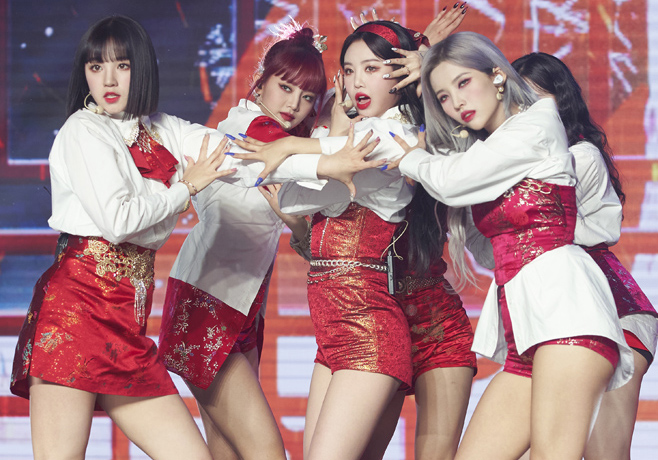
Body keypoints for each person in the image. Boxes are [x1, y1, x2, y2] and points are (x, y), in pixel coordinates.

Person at [382, 31, 634, 459]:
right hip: (525, 325)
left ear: (498, 75)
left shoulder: (538, 121)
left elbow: (452, 179)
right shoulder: (490, 151)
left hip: (567, 316)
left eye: (464, 83)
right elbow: (487, 247)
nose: (456, 102)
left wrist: (410, 156)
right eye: (443, 97)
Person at [7, 15, 237, 460]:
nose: (108, 80)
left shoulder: (163, 129)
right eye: (96, 67)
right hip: (74, 314)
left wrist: (315, 152)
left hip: (126, 325)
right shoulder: (82, 129)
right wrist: (186, 188)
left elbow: (235, 153)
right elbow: (118, 221)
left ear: (142, 68)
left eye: (122, 65)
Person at [230, 20, 427, 460]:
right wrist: (320, 142)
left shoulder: (393, 135)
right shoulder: (349, 137)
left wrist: (286, 147)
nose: (357, 83)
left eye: (371, 69)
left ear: (401, 75)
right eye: (349, 71)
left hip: (369, 330)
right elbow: (295, 197)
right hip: (332, 333)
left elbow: (300, 187)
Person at [157, 24, 326, 460]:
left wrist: (296, 226)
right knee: (265, 451)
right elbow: (317, 160)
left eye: (307, 97)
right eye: (285, 87)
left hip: (239, 311)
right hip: (206, 307)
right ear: (261, 81)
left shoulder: (284, 143)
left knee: (227, 453)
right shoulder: (251, 128)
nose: (294, 104)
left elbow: (311, 244)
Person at [512, 51, 658, 460]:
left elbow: (550, 227)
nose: (526, 111)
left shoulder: (578, 156)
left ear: (561, 101)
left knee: (603, 453)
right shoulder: (511, 162)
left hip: (614, 313)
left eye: (536, 98)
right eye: (517, 100)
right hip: (562, 315)